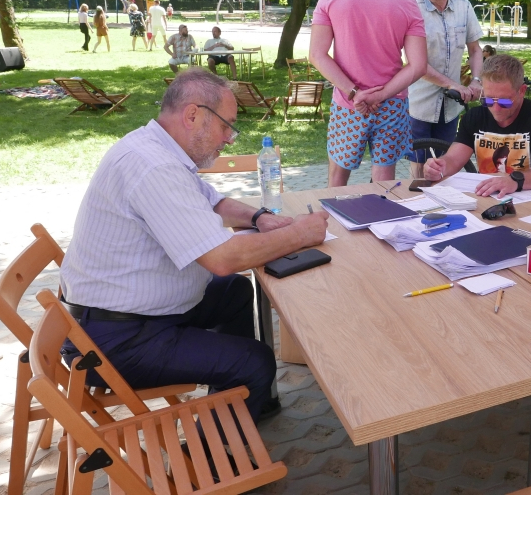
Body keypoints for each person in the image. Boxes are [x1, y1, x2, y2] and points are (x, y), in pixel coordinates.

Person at [59, 68, 330, 425]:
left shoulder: (155, 146)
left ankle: (239, 403)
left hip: (120, 317)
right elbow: (222, 258)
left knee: (234, 291)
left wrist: (260, 217)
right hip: (114, 341)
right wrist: (301, 235)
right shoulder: (154, 167)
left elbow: (214, 202)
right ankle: (217, 454)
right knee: (256, 360)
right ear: (193, 115)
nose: (230, 139)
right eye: (226, 125)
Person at [309, 0, 427, 187]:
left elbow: (317, 55)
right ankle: (382, 225)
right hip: (392, 104)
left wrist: (354, 93)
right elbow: (418, 65)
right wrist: (381, 95)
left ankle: (334, 226)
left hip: (348, 103)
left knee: (337, 180)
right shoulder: (407, 2)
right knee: (384, 182)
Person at [424, 54, 531, 198]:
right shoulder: (475, 117)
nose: (496, 108)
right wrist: (439, 167)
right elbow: (454, 159)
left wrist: (515, 180)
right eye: (489, 100)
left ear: (522, 91)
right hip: (488, 200)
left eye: (505, 102)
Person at [405, 0, 484, 177]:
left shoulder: (464, 7)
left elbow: (476, 50)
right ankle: (419, 207)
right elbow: (416, 63)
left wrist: (476, 81)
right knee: (419, 169)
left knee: (445, 167)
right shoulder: (412, 9)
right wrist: (453, 84)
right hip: (419, 104)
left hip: (450, 107)